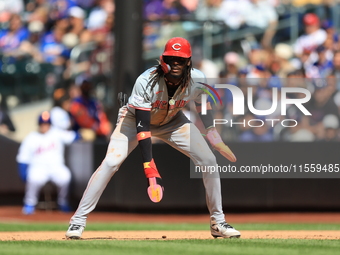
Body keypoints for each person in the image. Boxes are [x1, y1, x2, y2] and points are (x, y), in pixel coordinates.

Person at [65, 37, 240, 239]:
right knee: (111, 162)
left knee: (209, 160)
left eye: (180, 59)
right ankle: (78, 221)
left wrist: (212, 134)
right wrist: (149, 165)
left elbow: (202, 105)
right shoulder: (146, 80)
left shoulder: (198, 78)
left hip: (173, 121)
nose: (176, 63)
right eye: (171, 58)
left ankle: (218, 222)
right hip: (134, 122)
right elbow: (143, 127)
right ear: (163, 59)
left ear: (188, 62)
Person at [16, 111, 80, 215]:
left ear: (50, 124)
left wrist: (80, 133)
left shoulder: (57, 133)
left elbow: (73, 136)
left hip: (56, 167)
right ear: (39, 124)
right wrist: (23, 171)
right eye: (42, 123)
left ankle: (63, 203)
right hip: (38, 168)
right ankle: (29, 204)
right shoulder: (31, 137)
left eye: (46, 123)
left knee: (65, 177)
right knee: (33, 178)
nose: (44, 126)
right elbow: (23, 157)